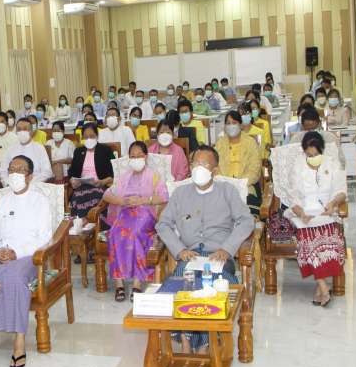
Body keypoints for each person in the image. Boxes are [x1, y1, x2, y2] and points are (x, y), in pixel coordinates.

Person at [155, 146, 252, 352]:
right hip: (190, 256)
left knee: (214, 287)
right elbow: (162, 224)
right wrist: (179, 250)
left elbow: (246, 221)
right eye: (195, 163)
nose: (198, 168)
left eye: (204, 164)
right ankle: (186, 340)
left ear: (214, 170)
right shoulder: (180, 193)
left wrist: (227, 249)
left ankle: (206, 344)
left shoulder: (227, 191)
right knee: (183, 283)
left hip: (219, 257)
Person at [0, 155, 55, 367]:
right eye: (12, 169)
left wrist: (18, 252)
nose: (15, 174)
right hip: (2, 255)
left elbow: (44, 237)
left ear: (30, 176)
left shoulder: (40, 201)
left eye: (20, 170)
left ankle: (19, 341)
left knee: (14, 279)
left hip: (29, 256)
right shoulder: (4, 200)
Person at [270, 132, 347, 305]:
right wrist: (302, 214)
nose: (312, 158)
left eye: (316, 154)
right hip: (303, 214)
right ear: (304, 152)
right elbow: (293, 197)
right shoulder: (297, 166)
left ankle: (320, 287)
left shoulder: (332, 163)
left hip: (326, 213)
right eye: (309, 155)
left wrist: (333, 203)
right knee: (308, 242)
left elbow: (341, 190)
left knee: (331, 242)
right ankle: (324, 287)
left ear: (322, 151)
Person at [102, 140, 169, 301]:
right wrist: (121, 201)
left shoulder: (153, 176)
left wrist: (143, 200)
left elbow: (164, 196)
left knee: (136, 233)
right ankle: (119, 284)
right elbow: (106, 195)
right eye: (132, 156)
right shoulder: (125, 177)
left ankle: (137, 284)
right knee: (115, 233)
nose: (136, 159)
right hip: (125, 213)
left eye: (139, 155)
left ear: (145, 157)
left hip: (145, 213)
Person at [68, 123, 115, 233]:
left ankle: (92, 225)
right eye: (86, 137)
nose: (88, 139)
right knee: (78, 196)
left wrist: (103, 181)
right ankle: (83, 225)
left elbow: (114, 172)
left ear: (97, 136)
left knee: (96, 195)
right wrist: (72, 181)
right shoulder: (78, 151)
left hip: (100, 185)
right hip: (81, 186)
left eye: (92, 136)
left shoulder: (105, 150)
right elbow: (71, 172)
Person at [214, 109, 262, 213]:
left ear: (240, 125)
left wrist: (239, 184)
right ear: (225, 127)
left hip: (246, 187)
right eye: (228, 123)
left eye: (234, 123)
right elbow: (215, 168)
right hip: (223, 188)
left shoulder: (251, 143)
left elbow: (255, 170)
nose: (231, 126)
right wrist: (226, 184)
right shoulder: (219, 144)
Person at [0, 116, 53, 185]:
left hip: (34, 185)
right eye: (19, 129)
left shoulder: (39, 148)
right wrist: (8, 183)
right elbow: (3, 171)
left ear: (31, 131)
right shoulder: (10, 149)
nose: (22, 131)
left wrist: (28, 183)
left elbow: (47, 172)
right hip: (12, 186)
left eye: (25, 129)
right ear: (16, 132)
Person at [150, 114, 189, 181]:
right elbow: (147, 172)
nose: (165, 135)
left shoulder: (179, 151)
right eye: (161, 132)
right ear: (157, 134)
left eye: (168, 132)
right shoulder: (150, 150)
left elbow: (183, 172)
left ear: (173, 135)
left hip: (175, 184)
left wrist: (174, 183)